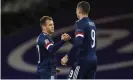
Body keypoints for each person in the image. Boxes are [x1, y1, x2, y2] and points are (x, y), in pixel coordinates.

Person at [61, 1, 97, 79]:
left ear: (78, 10)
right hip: (93, 60)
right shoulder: (92, 24)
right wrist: (70, 39)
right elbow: (85, 42)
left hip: (83, 61)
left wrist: (67, 56)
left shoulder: (80, 23)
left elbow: (78, 42)